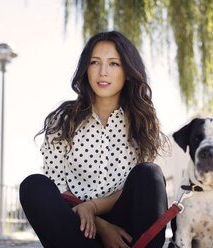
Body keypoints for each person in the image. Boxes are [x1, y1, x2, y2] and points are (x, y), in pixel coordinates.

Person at [19, 30, 168, 248]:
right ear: (86, 69)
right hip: (77, 228)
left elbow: (137, 190)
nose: (103, 72)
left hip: (125, 229)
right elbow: (58, 186)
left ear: (127, 71)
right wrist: (98, 223)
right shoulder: (63, 120)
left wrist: (95, 207)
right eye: (95, 62)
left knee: (150, 174)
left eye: (114, 64)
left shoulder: (141, 122)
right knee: (33, 186)